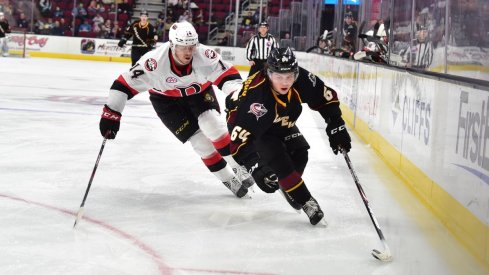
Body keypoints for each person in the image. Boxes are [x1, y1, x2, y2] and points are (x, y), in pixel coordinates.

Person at [99, 21, 255, 198]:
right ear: (172, 45)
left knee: (212, 124)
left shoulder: (204, 55)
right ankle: (228, 178)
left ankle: (237, 165)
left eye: (192, 46)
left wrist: (237, 96)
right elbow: (122, 85)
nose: (189, 52)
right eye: (183, 47)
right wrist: (111, 114)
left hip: (198, 93)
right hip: (166, 101)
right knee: (201, 144)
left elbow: (229, 77)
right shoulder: (154, 63)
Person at [225, 47, 352, 225]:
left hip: (280, 120)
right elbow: (239, 142)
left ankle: (289, 185)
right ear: (268, 74)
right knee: (280, 162)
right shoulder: (257, 101)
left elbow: (325, 96)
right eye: (278, 77)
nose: (285, 82)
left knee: (300, 152)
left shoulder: (300, 79)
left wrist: (336, 123)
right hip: (254, 126)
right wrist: (258, 167)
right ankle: (306, 200)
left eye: (289, 76)